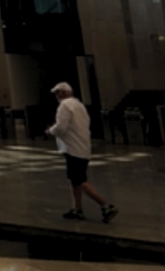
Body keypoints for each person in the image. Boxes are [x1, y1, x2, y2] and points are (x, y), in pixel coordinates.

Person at [46, 82, 118, 223]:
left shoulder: (64, 106)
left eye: (58, 92)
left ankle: (106, 206)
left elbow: (61, 128)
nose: (56, 95)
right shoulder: (79, 105)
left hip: (72, 148)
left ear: (65, 93)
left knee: (79, 180)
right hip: (82, 147)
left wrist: (50, 131)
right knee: (74, 180)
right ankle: (77, 208)